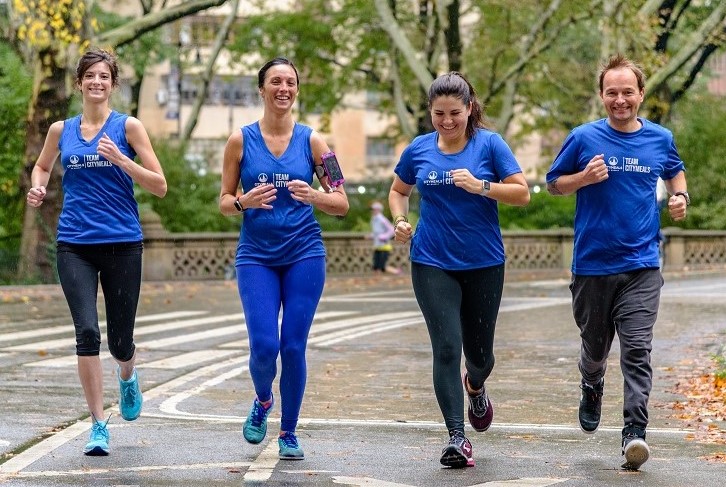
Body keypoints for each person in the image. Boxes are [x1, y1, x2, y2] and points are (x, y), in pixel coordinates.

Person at [545, 54, 689, 471]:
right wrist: (583, 179)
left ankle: (634, 433)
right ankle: (591, 383)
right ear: (602, 96)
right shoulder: (582, 137)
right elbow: (553, 185)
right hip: (592, 265)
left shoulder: (660, 138)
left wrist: (680, 197)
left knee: (637, 349)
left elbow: (675, 173)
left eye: (628, 92)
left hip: (643, 263)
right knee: (595, 347)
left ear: (641, 94)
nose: (620, 100)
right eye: (613, 92)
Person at [26, 48, 167, 456]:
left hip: (123, 243)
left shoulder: (129, 127)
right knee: (87, 333)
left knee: (121, 341)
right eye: (90, 76)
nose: (97, 82)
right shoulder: (60, 129)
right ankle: (97, 424)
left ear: (112, 83)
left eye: (104, 76)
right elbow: (42, 166)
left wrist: (123, 160)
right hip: (74, 244)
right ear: (79, 82)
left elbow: (159, 184)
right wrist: (39, 184)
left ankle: (127, 374)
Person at [389, 72, 530, 468]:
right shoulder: (418, 149)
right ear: (430, 113)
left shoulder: (490, 144)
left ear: (469, 109)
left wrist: (482, 186)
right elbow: (399, 190)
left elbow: (522, 192)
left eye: (455, 112)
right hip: (431, 260)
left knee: (480, 355)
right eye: (438, 114)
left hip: (484, 262)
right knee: (447, 346)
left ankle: (477, 384)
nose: (447, 121)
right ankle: (456, 436)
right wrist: (400, 221)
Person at [219, 57, 349, 461]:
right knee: (263, 346)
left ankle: (289, 432)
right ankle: (262, 401)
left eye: (290, 82)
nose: (283, 88)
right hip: (256, 255)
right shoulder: (239, 141)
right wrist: (242, 202)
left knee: (293, 347)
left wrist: (315, 195)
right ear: (261, 89)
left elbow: (342, 203)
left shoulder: (315, 143)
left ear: (296, 90)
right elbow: (224, 202)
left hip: (304, 254)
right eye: (275, 81)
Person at [368, 201, 400, 274]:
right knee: (375, 266)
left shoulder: (382, 219)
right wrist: (371, 236)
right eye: (372, 209)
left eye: (374, 209)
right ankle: (396, 272)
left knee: (381, 267)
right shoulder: (373, 219)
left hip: (384, 245)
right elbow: (376, 232)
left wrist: (383, 236)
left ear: (379, 210)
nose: (373, 211)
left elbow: (392, 230)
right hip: (377, 246)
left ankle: (397, 272)